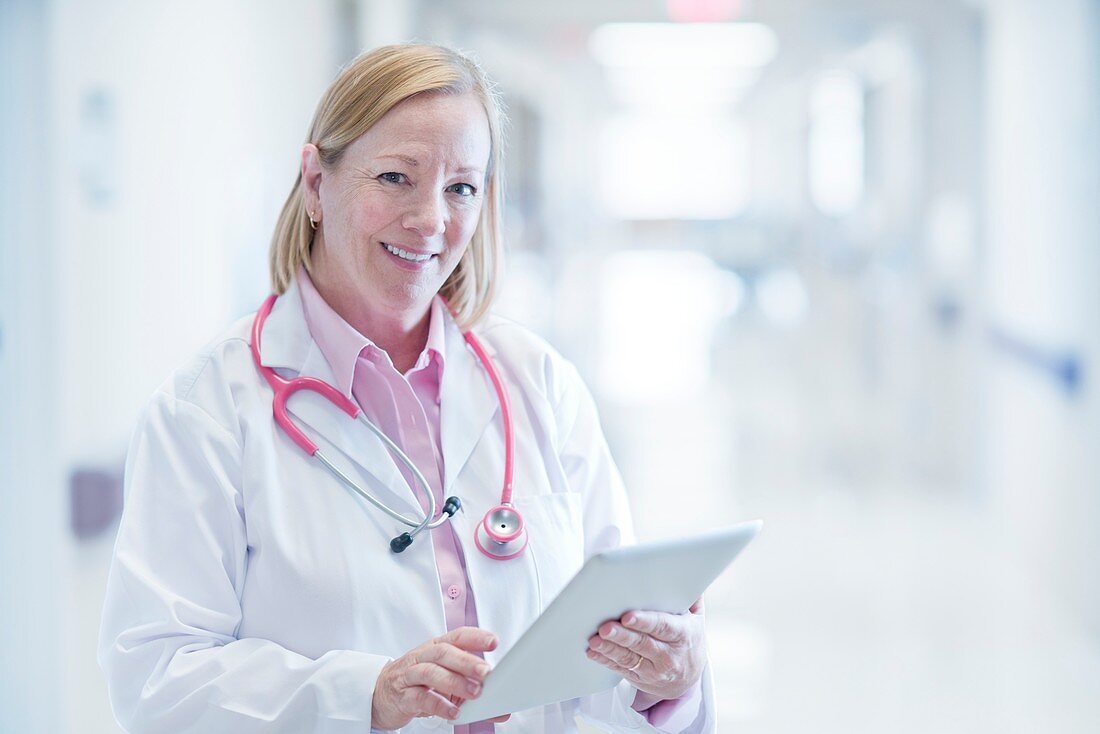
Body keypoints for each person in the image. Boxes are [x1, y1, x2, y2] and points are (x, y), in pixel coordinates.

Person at [98, 43, 716, 733]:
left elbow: (603, 650)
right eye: (395, 177)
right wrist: (368, 694)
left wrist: (668, 683)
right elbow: (157, 681)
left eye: (462, 188)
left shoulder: (538, 382)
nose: (431, 219)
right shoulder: (208, 412)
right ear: (314, 184)